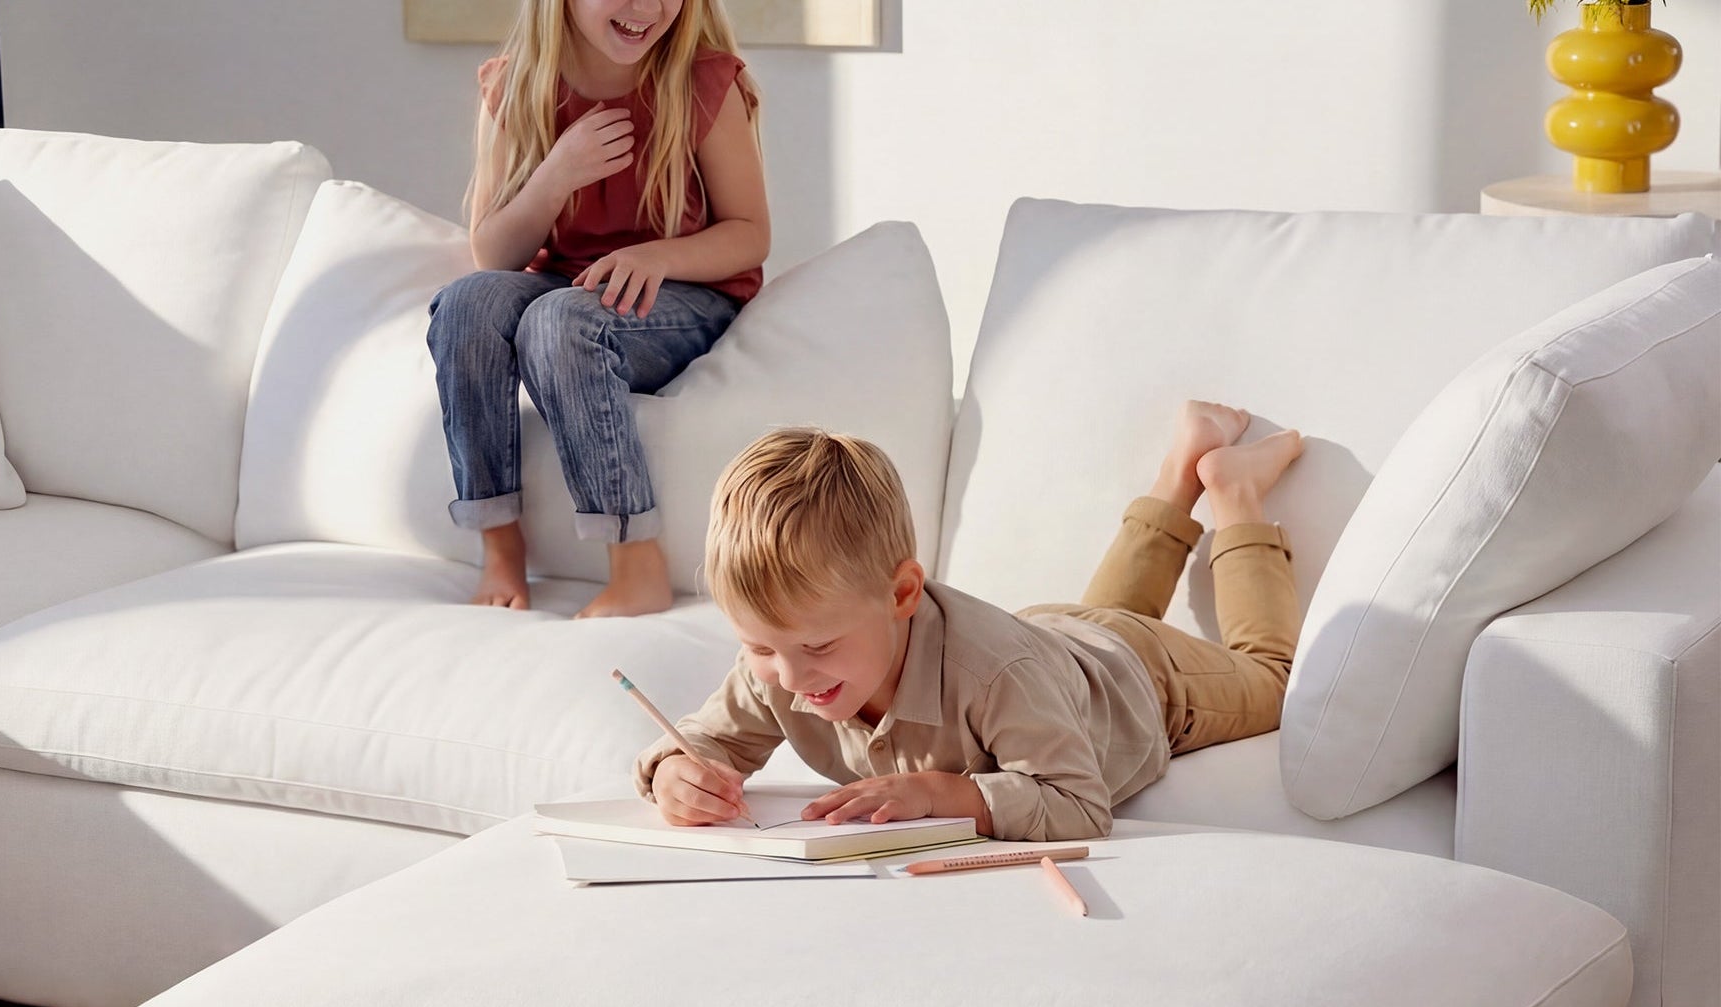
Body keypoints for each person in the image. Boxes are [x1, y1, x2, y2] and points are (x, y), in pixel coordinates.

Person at [635, 403, 1307, 842]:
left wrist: (941, 794)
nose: (791, 677)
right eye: (758, 646)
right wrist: (674, 772)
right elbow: (701, 743)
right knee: (1108, 615)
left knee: (1274, 680)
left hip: (1140, 677)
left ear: (902, 593)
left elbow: (1079, 803)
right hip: (1052, 644)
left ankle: (1232, 486)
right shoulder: (784, 660)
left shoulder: (994, 676)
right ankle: (1178, 473)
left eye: (816, 646)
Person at [427, 0, 769, 618]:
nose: (646, 8)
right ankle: (499, 545)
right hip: (565, 283)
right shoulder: (516, 84)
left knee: (561, 324)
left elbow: (749, 233)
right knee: (466, 305)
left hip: (683, 294)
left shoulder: (702, 81)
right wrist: (557, 172)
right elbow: (494, 253)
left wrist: (659, 257)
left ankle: (635, 563)